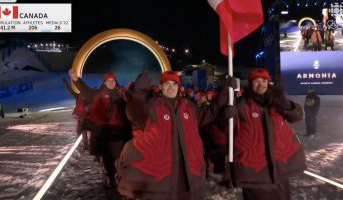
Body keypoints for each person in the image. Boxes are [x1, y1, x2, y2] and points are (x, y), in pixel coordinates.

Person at [116, 70, 236, 200]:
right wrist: (139, 92)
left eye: (174, 84)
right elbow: (135, 112)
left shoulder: (188, 107)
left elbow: (210, 112)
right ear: (161, 87)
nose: (171, 88)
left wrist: (225, 92)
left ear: (178, 87)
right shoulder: (151, 107)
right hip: (163, 178)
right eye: (167, 84)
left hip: (187, 175)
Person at [226, 68, 307, 200]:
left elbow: (297, 116)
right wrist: (226, 116)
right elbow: (226, 129)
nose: (260, 85)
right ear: (250, 83)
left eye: (264, 81)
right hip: (255, 171)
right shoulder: (241, 105)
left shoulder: (276, 102)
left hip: (279, 167)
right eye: (256, 81)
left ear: (268, 82)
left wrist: (287, 105)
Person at [69, 69, 131, 189]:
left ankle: (118, 176)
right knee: (107, 156)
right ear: (105, 82)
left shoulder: (121, 93)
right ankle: (111, 176)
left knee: (120, 155)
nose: (111, 83)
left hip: (120, 130)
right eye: (109, 81)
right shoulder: (98, 93)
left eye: (113, 80)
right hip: (105, 131)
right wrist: (76, 79)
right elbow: (85, 91)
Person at [61, 77, 89, 150]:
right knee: (80, 130)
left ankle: (86, 145)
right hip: (80, 116)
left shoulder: (88, 97)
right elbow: (70, 91)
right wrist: (66, 84)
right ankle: (85, 144)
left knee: (83, 129)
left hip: (85, 116)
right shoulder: (78, 96)